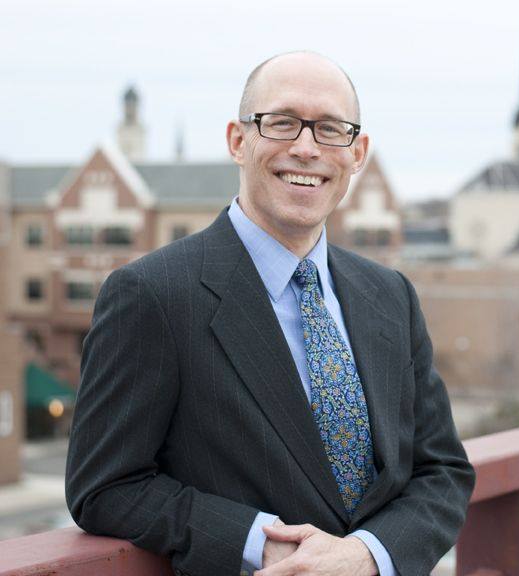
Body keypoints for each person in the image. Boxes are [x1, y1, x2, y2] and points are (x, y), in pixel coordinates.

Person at [65, 51, 475, 576]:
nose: (306, 148)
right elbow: (104, 486)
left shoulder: (390, 295)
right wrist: (262, 542)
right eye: (282, 123)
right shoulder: (151, 295)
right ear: (238, 141)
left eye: (330, 129)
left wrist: (366, 555)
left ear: (357, 153)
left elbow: (442, 470)